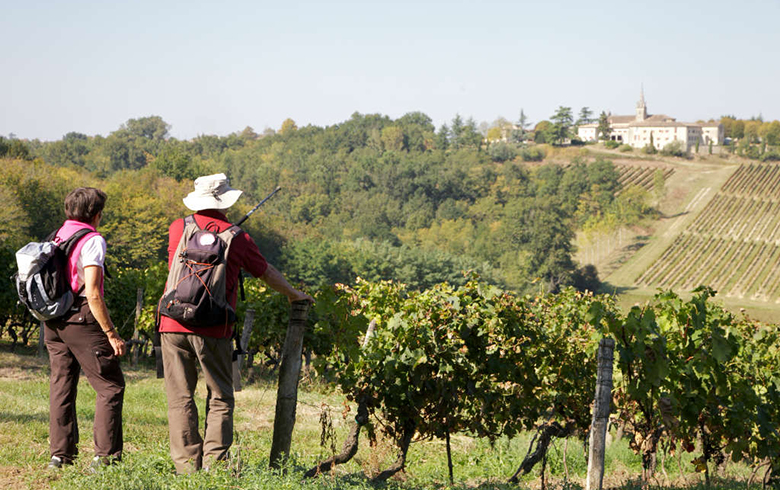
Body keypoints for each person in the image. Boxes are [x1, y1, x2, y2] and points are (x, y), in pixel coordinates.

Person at [159, 173, 312, 474]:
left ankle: (187, 468)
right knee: (220, 397)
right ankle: (215, 467)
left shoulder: (179, 227)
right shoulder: (238, 237)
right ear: (226, 202)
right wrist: (294, 295)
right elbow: (265, 272)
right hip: (214, 327)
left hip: (173, 322)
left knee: (179, 397)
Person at [45, 187, 126, 470]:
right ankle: (104, 459)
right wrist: (111, 333)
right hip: (81, 317)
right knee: (110, 387)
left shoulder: (59, 233)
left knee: (62, 385)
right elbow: (92, 292)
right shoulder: (92, 240)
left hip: (53, 320)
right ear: (97, 214)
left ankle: (60, 455)